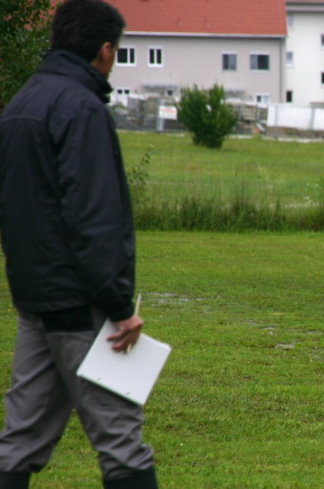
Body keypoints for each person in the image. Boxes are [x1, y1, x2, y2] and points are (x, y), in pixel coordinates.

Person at [0, 1, 159, 488]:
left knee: (19, 439)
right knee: (122, 442)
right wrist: (119, 307)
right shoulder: (83, 109)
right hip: (79, 303)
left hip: (34, 299)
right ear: (105, 50)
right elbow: (93, 216)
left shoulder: (21, 103)